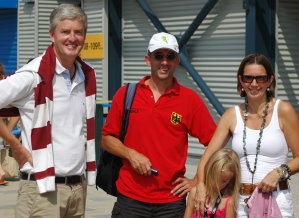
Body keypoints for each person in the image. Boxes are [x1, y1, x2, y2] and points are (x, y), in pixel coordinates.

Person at [101, 32, 216, 218]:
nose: (164, 62)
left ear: (177, 61)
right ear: (148, 60)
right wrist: (130, 154)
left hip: (171, 202)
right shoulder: (126, 94)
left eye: (170, 56)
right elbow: (106, 139)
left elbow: (214, 142)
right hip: (131, 199)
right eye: (158, 56)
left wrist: (197, 180)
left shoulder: (189, 99)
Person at [0, 4, 97, 218]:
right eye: (65, 31)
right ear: (52, 35)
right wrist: (15, 145)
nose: (72, 38)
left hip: (77, 190)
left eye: (78, 32)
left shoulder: (86, 76)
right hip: (42, 192)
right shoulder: (33, 76)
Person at [193, 53, 299, 217]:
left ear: (270, 80)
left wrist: (278, 172)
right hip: (241, 202)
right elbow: (208, 155)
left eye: (261, 78)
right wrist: (200, 184)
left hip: (276, 199)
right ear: (240, 80)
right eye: (248, 78)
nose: (254, 84)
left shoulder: (283, 110)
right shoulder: (231, 115)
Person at [184, 148, 241, 218]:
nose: (217, 185)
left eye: (224, 181)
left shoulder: (229, 202)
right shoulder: (194, 193)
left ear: (231, 180)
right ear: (209, 171)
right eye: (215, 178)